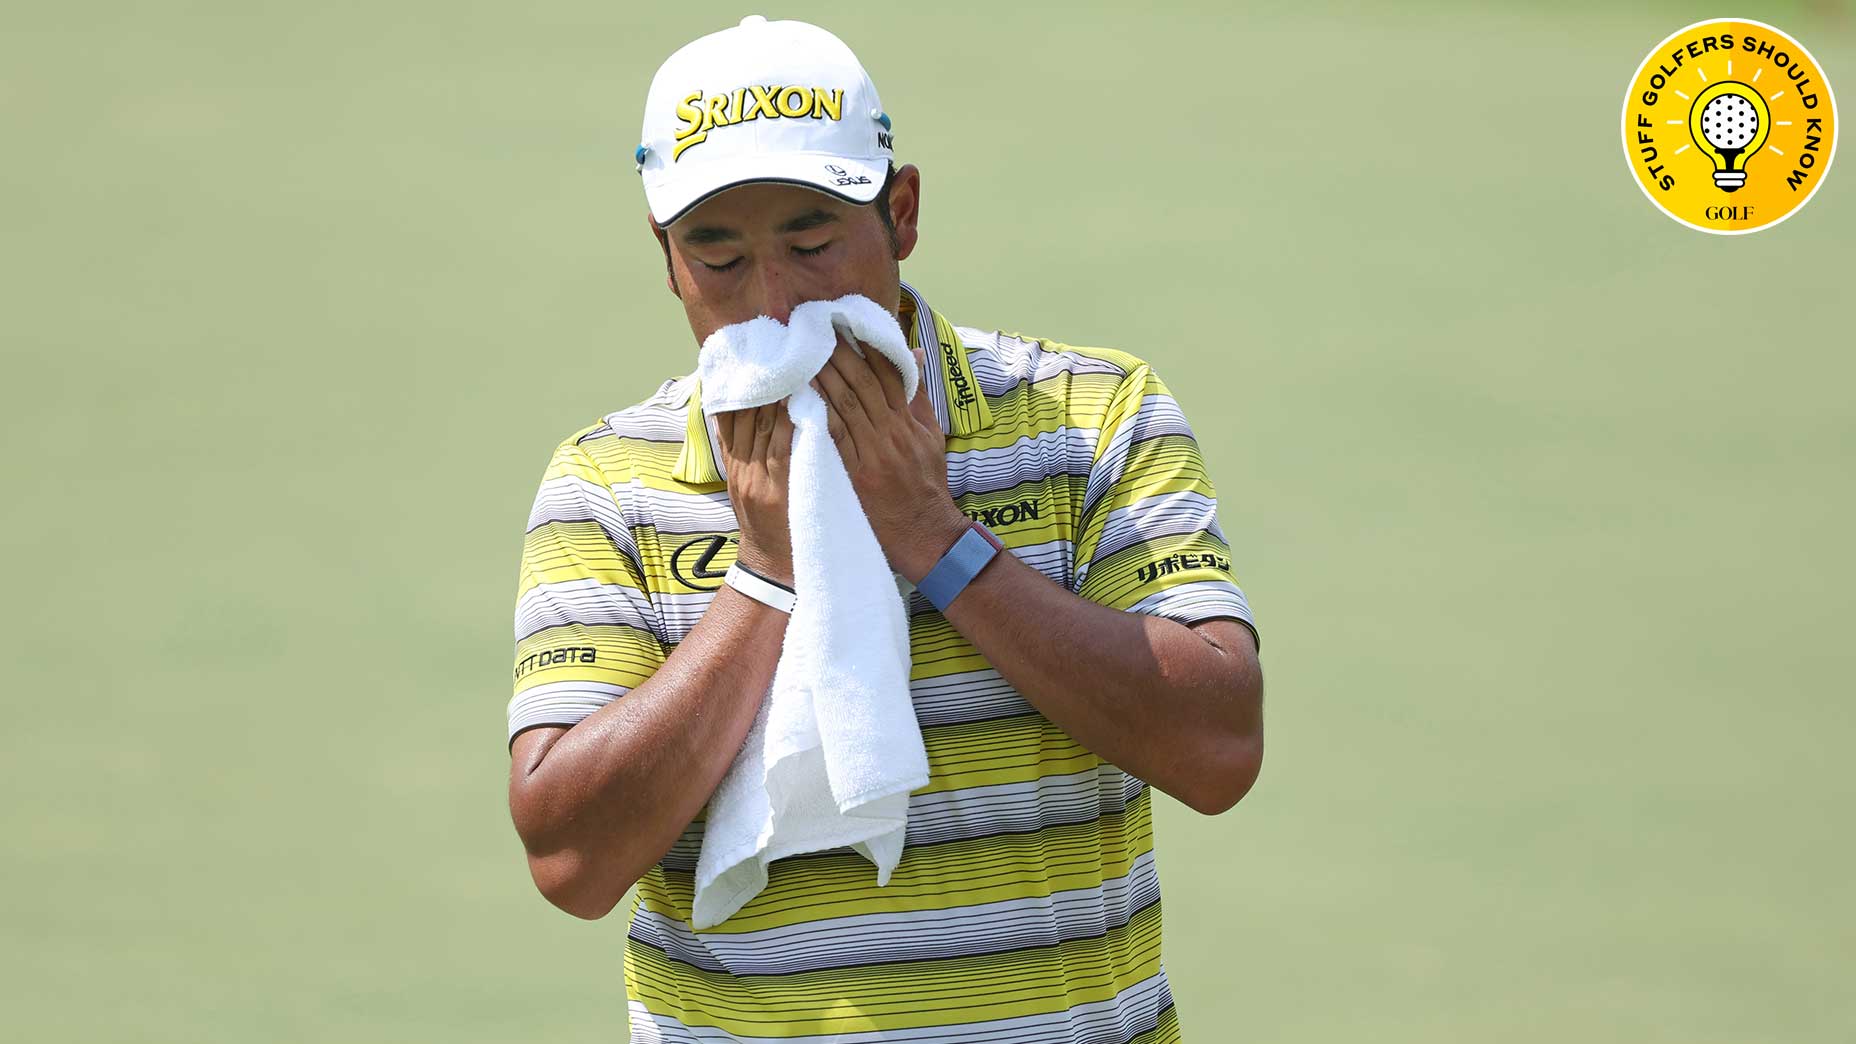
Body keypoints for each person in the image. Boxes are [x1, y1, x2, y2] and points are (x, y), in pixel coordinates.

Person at [504, 15, 1264, 1043]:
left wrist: (934, 540)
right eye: (717, 258)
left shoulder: (1092, 416)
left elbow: (1216, 747)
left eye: (812, 243)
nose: (774, 304)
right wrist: (768, 577)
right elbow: (570, 859)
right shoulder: (606, 480)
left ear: (899, 212)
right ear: (666, 258)